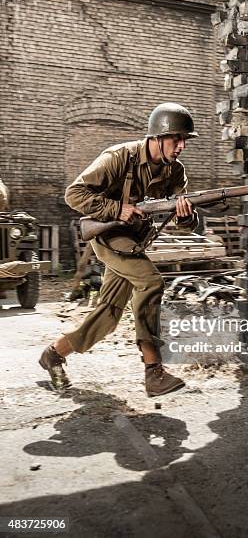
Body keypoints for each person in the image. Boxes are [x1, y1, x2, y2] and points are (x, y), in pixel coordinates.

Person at [39, 103, 199, 397]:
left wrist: (187, 215)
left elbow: (186, 221)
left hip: (135, 240)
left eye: (184, 140)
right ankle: (154, 372)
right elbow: (74, 193)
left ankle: (53, 354)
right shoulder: (118, 158)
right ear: (156, 137)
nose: (181, 146)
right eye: (175, 139)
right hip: (110, 237)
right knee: (151, 282)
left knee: (109, 314)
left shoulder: (176, 172)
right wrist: (116, 209)